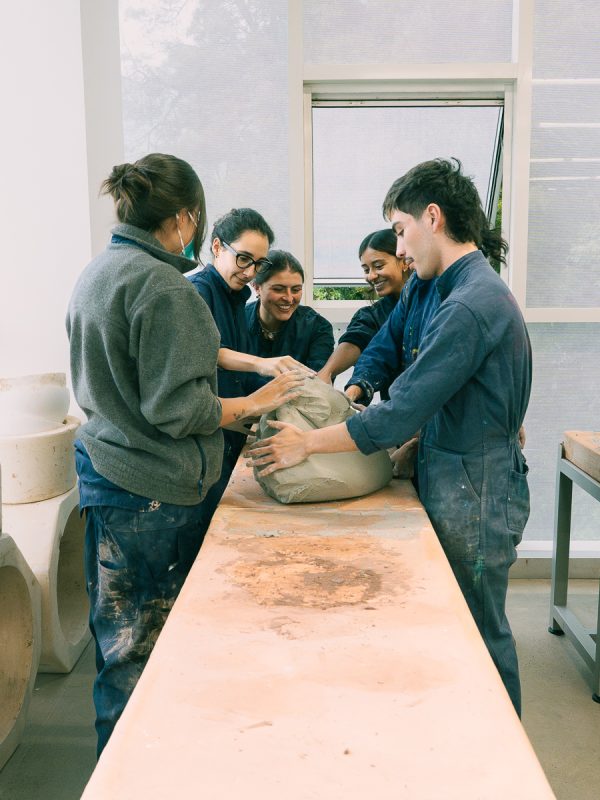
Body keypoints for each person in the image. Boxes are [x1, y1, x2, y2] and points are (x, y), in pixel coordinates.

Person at [249, 158, 531, 716]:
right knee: (447, 624)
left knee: (479, 630)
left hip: (478, 487)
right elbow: (385, 343)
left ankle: (504, 756)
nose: (399, 249)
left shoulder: (472, 303)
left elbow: (401, 413)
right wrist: (352, 392)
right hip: (445, 467)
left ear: (433, 217)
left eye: (401, 230)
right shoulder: (429, 288)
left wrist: (308, 443)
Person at [66, 155, 304, 756]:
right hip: (151, 496)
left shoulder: (100, 272)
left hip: (110, 475)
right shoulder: (164, 287)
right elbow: (183, 410)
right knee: (148, 655)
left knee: (119, 648)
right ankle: (142, 771)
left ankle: (118, 771)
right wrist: (257, 403)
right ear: (188, 220)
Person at [187, 209, 312, 537]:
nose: (250, 271)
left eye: (258, 263)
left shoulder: (233, 297)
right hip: (200, 437)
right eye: (243, 258)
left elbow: (235, 377)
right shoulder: (196, 293)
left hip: (227, 432)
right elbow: (203, 353)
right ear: (217, 247)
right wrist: (262, 364)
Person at [317, 228, 412, 389]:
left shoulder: (432, 300)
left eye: (378, 266)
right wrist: (326, 373)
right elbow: (356, 339)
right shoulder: (372, 315)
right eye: (366, 270)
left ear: (403, 261)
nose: (371, 276)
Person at [245, 249, 334, 379]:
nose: (289, 298)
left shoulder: (318, 327)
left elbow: (317, 385)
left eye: (296, 289)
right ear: (257, 287)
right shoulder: (237, 321)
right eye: (278, 289)